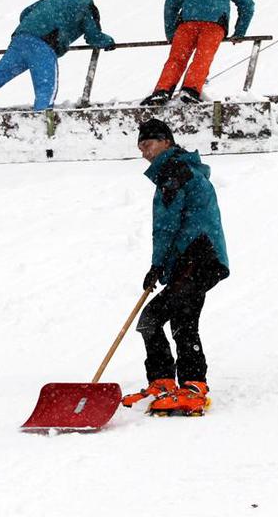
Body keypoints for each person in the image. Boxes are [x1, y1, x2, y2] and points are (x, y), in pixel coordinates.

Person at [121, 119, 229, 415]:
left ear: (166, 141)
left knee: (174, 318)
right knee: (156, 318)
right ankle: (164, 381)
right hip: (194, 259)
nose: (144, 152)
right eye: (140, 147)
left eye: (148, 144)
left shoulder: (175, 172)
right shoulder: (179, 170)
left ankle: (193, 386)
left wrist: (157, 266)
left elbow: (168, 226)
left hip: (198, 257)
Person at [140, 0, 254, 106]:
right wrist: (239, 32)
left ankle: (162, 91)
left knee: (176, 59)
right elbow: (247, 5)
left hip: (187, 23)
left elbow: (171, 3)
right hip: (214, 24)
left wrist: (171, 33)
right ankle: (190, 90)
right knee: (202, 58)